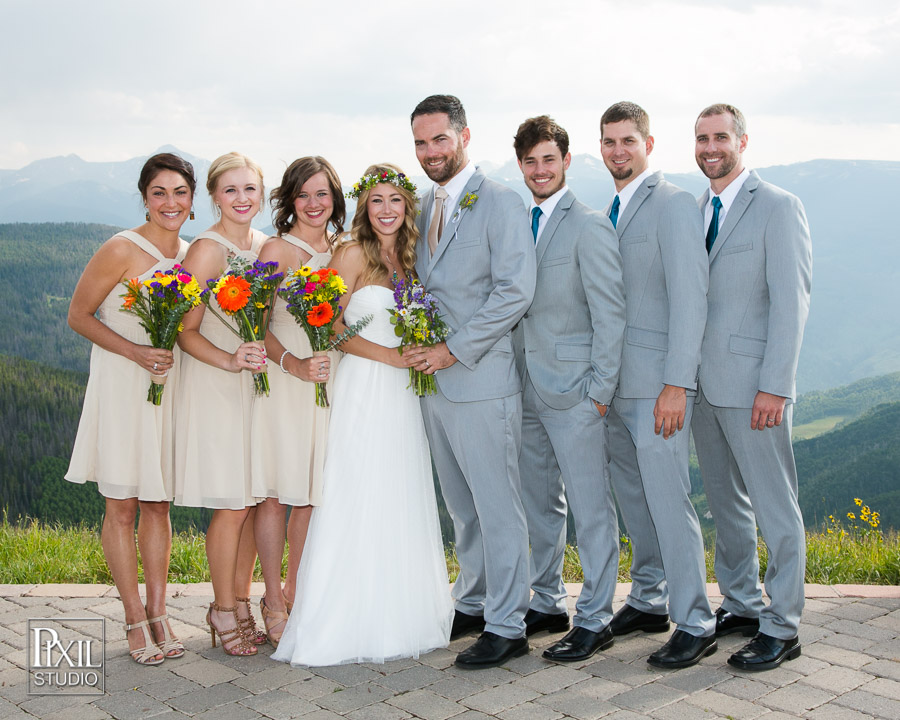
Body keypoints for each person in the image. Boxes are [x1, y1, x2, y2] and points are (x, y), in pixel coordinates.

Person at [272, 163, 452, 666]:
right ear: (364, 206)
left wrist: (416, 350)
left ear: (407, 207)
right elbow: (325, 326)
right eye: (377, 200)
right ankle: (341, 618)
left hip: (402, 393)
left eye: (396, 200)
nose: (387, 210)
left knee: (398, 492)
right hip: (364, 386)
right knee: (355, 491)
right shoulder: (350, 253)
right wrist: (390, 356)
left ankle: (399, 613)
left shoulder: (414, 258)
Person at [404, 95, 537, 669]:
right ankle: (476, 601)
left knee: (498, 506)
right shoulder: (418, 206)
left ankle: (509, 625)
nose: (430, 152)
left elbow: (516, 290)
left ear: (463, 136)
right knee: (463, 506)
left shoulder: (502, 201)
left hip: (480, 379)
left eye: (439, 139)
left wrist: (452, 350)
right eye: (420, 142)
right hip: (434, 388)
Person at [691, 104, 812, 671]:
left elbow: (792, 304)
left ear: (742, 141)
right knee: (725, 503)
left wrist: (776, 386)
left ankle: (782, 624)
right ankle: (740, 602)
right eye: (702, 138)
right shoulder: (696, 210)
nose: (710, 147)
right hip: (702, 390)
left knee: (774, 507)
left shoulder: (779, 208)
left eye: (720, 137)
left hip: (755, 388)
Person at [598, 102, 717, 669]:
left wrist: (677, 383)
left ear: (649, 143)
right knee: (635, 499)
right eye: (609, 142)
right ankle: (649, 598)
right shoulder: (612, 209)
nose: (618, 151)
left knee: (669, 500)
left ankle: (696, 619)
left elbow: (693, 300)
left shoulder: (671, 205)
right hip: (615, 386)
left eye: (628, 141)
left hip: (657, 388)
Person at [66, 152, 195, 665]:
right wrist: (135, 351)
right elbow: (79, 315)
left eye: (180, 192)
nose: (170, 202)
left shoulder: (192, 255)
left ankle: (160, 611)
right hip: (123, 384)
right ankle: (133, 618)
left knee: (158, 503)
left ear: (192, 199)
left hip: (169, 388)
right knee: (121, 505)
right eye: (159, 192)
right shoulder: (120, 248)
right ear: (144, 196)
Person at [512, 116, 626, 662]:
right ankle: (548, 599)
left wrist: (600, 392)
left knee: (590, 507)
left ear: (566, 161)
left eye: (548, 159)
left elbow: (611, 314)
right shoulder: (517, 221)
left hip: (577, 391)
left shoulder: (589, 225)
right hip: (524, 388)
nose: (540, 169)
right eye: (530, 161)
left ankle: (597, 616)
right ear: (521, 166)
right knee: (540, 503)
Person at [174, 152, 269, 656]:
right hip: (217, 385)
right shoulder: (208, 250)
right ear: (214, 196)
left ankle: (241, 598)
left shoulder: (259, 245)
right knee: (231, 506)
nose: (241, 199)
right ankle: (222, 609)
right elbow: (185, 332)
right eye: (231, 190)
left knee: (251, 502)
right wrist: (231, 360)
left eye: (250, 189)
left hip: (254, 386)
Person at [250, 157, 345, 648]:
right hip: (286, 379)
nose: (313, 204)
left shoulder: (346, 249)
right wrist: (294, 366)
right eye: (304, 194)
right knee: (275, 493)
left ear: (335, 199)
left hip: (330, 381)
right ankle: (270, 598)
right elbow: (255, 325)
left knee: (311, 493)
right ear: (290, 199)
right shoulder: (275, 250)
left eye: (322, 194)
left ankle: (298, 592)